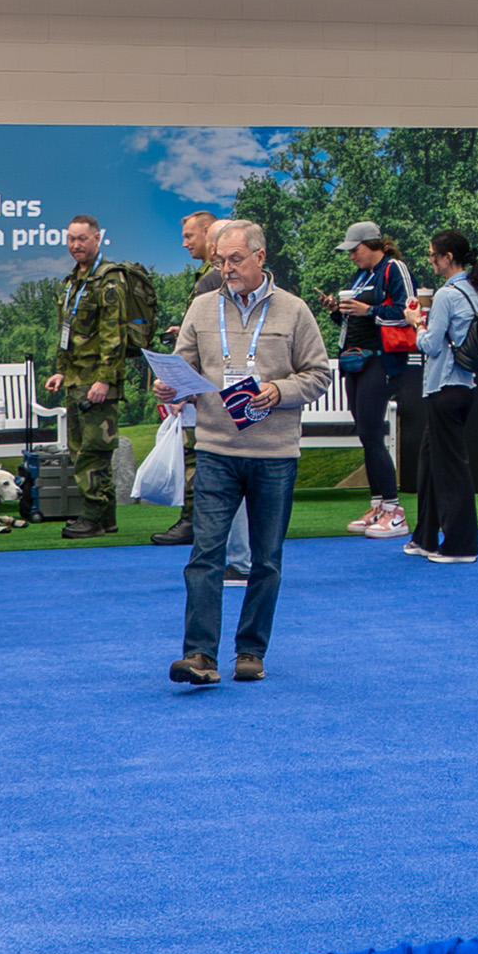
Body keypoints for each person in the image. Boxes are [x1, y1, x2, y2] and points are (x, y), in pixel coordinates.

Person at [156, 220, 331, 685]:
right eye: (220, 261)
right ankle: (199, 655)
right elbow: (183, 366)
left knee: (266, 559)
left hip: (274, 454)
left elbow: (319, 375)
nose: (226, 268)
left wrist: (279, 390)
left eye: (235, 259)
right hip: (215, 448)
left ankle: (251, 651)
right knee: (205, 556)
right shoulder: (201, 307)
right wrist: (171, 386)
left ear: (260, 256)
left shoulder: (294, 310)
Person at [43, 214, 130, 539]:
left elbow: (114, 334)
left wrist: (105, 379)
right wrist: (60, 371)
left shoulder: (108, 280)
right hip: (75, 379)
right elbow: (67, 332)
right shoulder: (73, 281)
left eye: (82, 238)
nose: (75, 245)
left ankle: (92, 516)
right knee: (81, 448)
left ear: (97, 238)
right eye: (71, 239)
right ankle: (106, 517)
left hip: (97, 381)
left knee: (94, 450)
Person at [327, 221, 415, 539]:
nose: (351, 255)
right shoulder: (361, 275)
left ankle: (394, 511)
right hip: (355, 362)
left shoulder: (394, 268)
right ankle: (378, 505)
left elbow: (408, 311)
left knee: (372, 433)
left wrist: (368, 310)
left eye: (355, 249)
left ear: (373, 244)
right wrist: (337, 310)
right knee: (367, 434)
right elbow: (356, 317)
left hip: (380, 360)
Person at [402, 229, 478, 562]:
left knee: (450, 470)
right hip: (464, 387)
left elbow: (431, 345)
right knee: (430, 464)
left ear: (448, 257)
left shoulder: (447, 295)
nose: (430, 260)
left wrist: (416, 323)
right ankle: (425, 537)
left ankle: (461, 545)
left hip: (444, 388)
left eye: (433, 254)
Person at [152, 209, 222, 548]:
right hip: (206, 381)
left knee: (195, 454)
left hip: (202, 384)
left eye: (189, 236)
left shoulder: (212, 278)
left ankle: (193, 522)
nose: (184, 243)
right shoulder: (209, 276)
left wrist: (183, 387)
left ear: (208, 232)